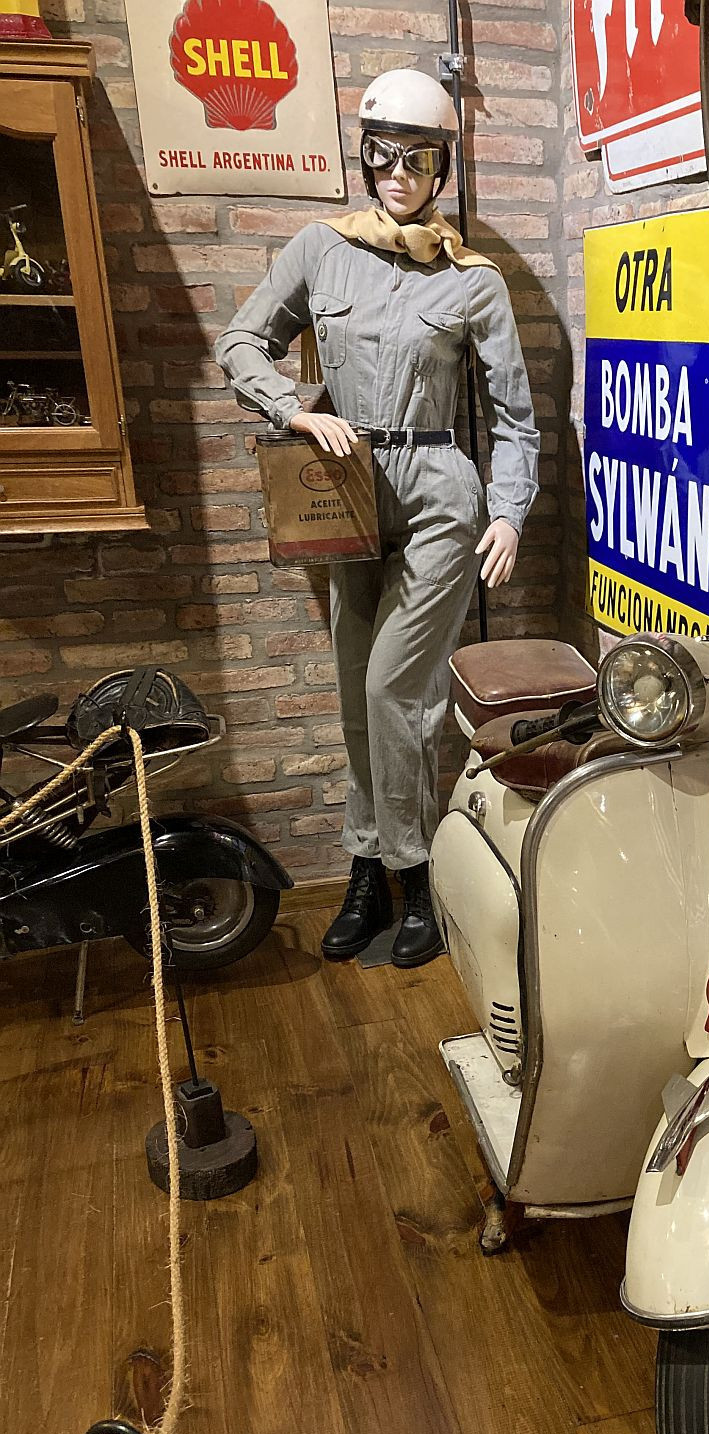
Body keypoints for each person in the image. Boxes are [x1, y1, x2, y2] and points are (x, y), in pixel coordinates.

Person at [215, 69, 540, 967]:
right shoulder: (320, 250)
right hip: (343, 482)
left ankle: (410, 870)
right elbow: (241, 339)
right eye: (384, 155)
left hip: (438, 491)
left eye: (420, 158)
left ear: (444, 168)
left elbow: (514, 415)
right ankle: (369, 868)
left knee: (398, 688)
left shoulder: (475, 281)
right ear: (365, 155)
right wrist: (292, 408)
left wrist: (508, 511)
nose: (399, 174)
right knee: (357, 684)